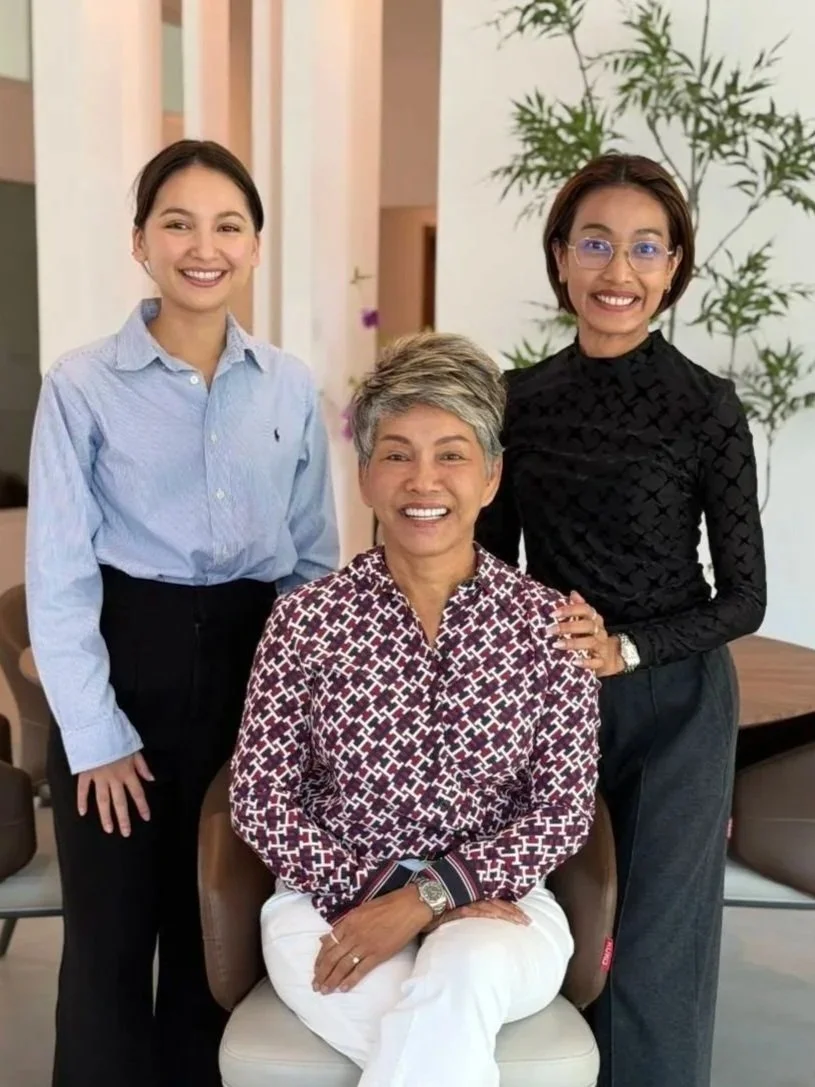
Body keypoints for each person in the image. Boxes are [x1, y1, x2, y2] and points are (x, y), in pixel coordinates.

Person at [26, 139, 338, 1087]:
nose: (203, 246)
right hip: (125, 669)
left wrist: (296, 722)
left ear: (253, 247)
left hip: (254, 678)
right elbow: (59, 577)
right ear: (141, 244)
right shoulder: (80, 386)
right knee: (111, 951)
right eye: (178, 223)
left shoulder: (288, 385)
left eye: (227, 225)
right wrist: (95, 734)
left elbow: (312, 565)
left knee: (218, 947)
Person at [230, 331, 603, 1087]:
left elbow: (562, 809)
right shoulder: (306, 619)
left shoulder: (549, 625)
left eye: (452, 454)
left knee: (460, 971)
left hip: (499, 915)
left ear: (492, 476)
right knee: (439, 1023)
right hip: (326, 905)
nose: (422, 479)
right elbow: (258, 796)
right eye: (396, 453)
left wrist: (433, 897)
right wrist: (380, 897)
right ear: (364, 475)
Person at [476, 152, 766, 1087]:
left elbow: (742, 597)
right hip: (554, 700)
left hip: (677, 701)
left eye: (647, 248)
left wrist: (629, 646)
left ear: (675, 267)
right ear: (560, 256)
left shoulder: (705, 409)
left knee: (653, 950)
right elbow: (489, 571)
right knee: (542, 928)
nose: (619, 271)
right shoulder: (516, 402)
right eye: (595, 243)